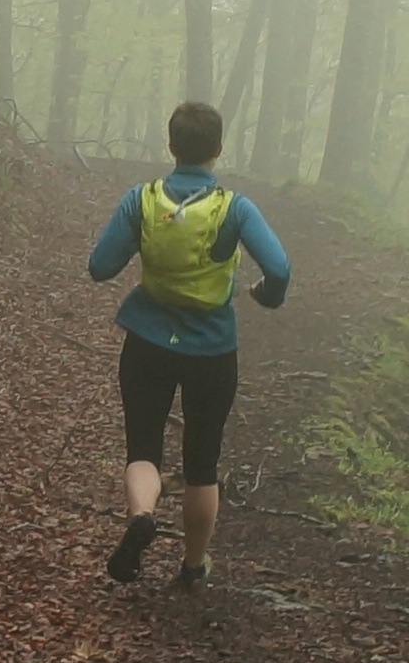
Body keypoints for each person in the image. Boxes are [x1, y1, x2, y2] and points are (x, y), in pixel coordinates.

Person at [86, 100, 292, 589]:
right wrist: (265, 296)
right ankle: (193, 569)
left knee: (143, 448)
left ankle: (142, 514)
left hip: (147, 343)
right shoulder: (235, 208)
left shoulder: (142, 200)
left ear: (172, 146)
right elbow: (280, 270)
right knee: (202, 463)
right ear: (218, 150)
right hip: (212, 350)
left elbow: (99, 267)